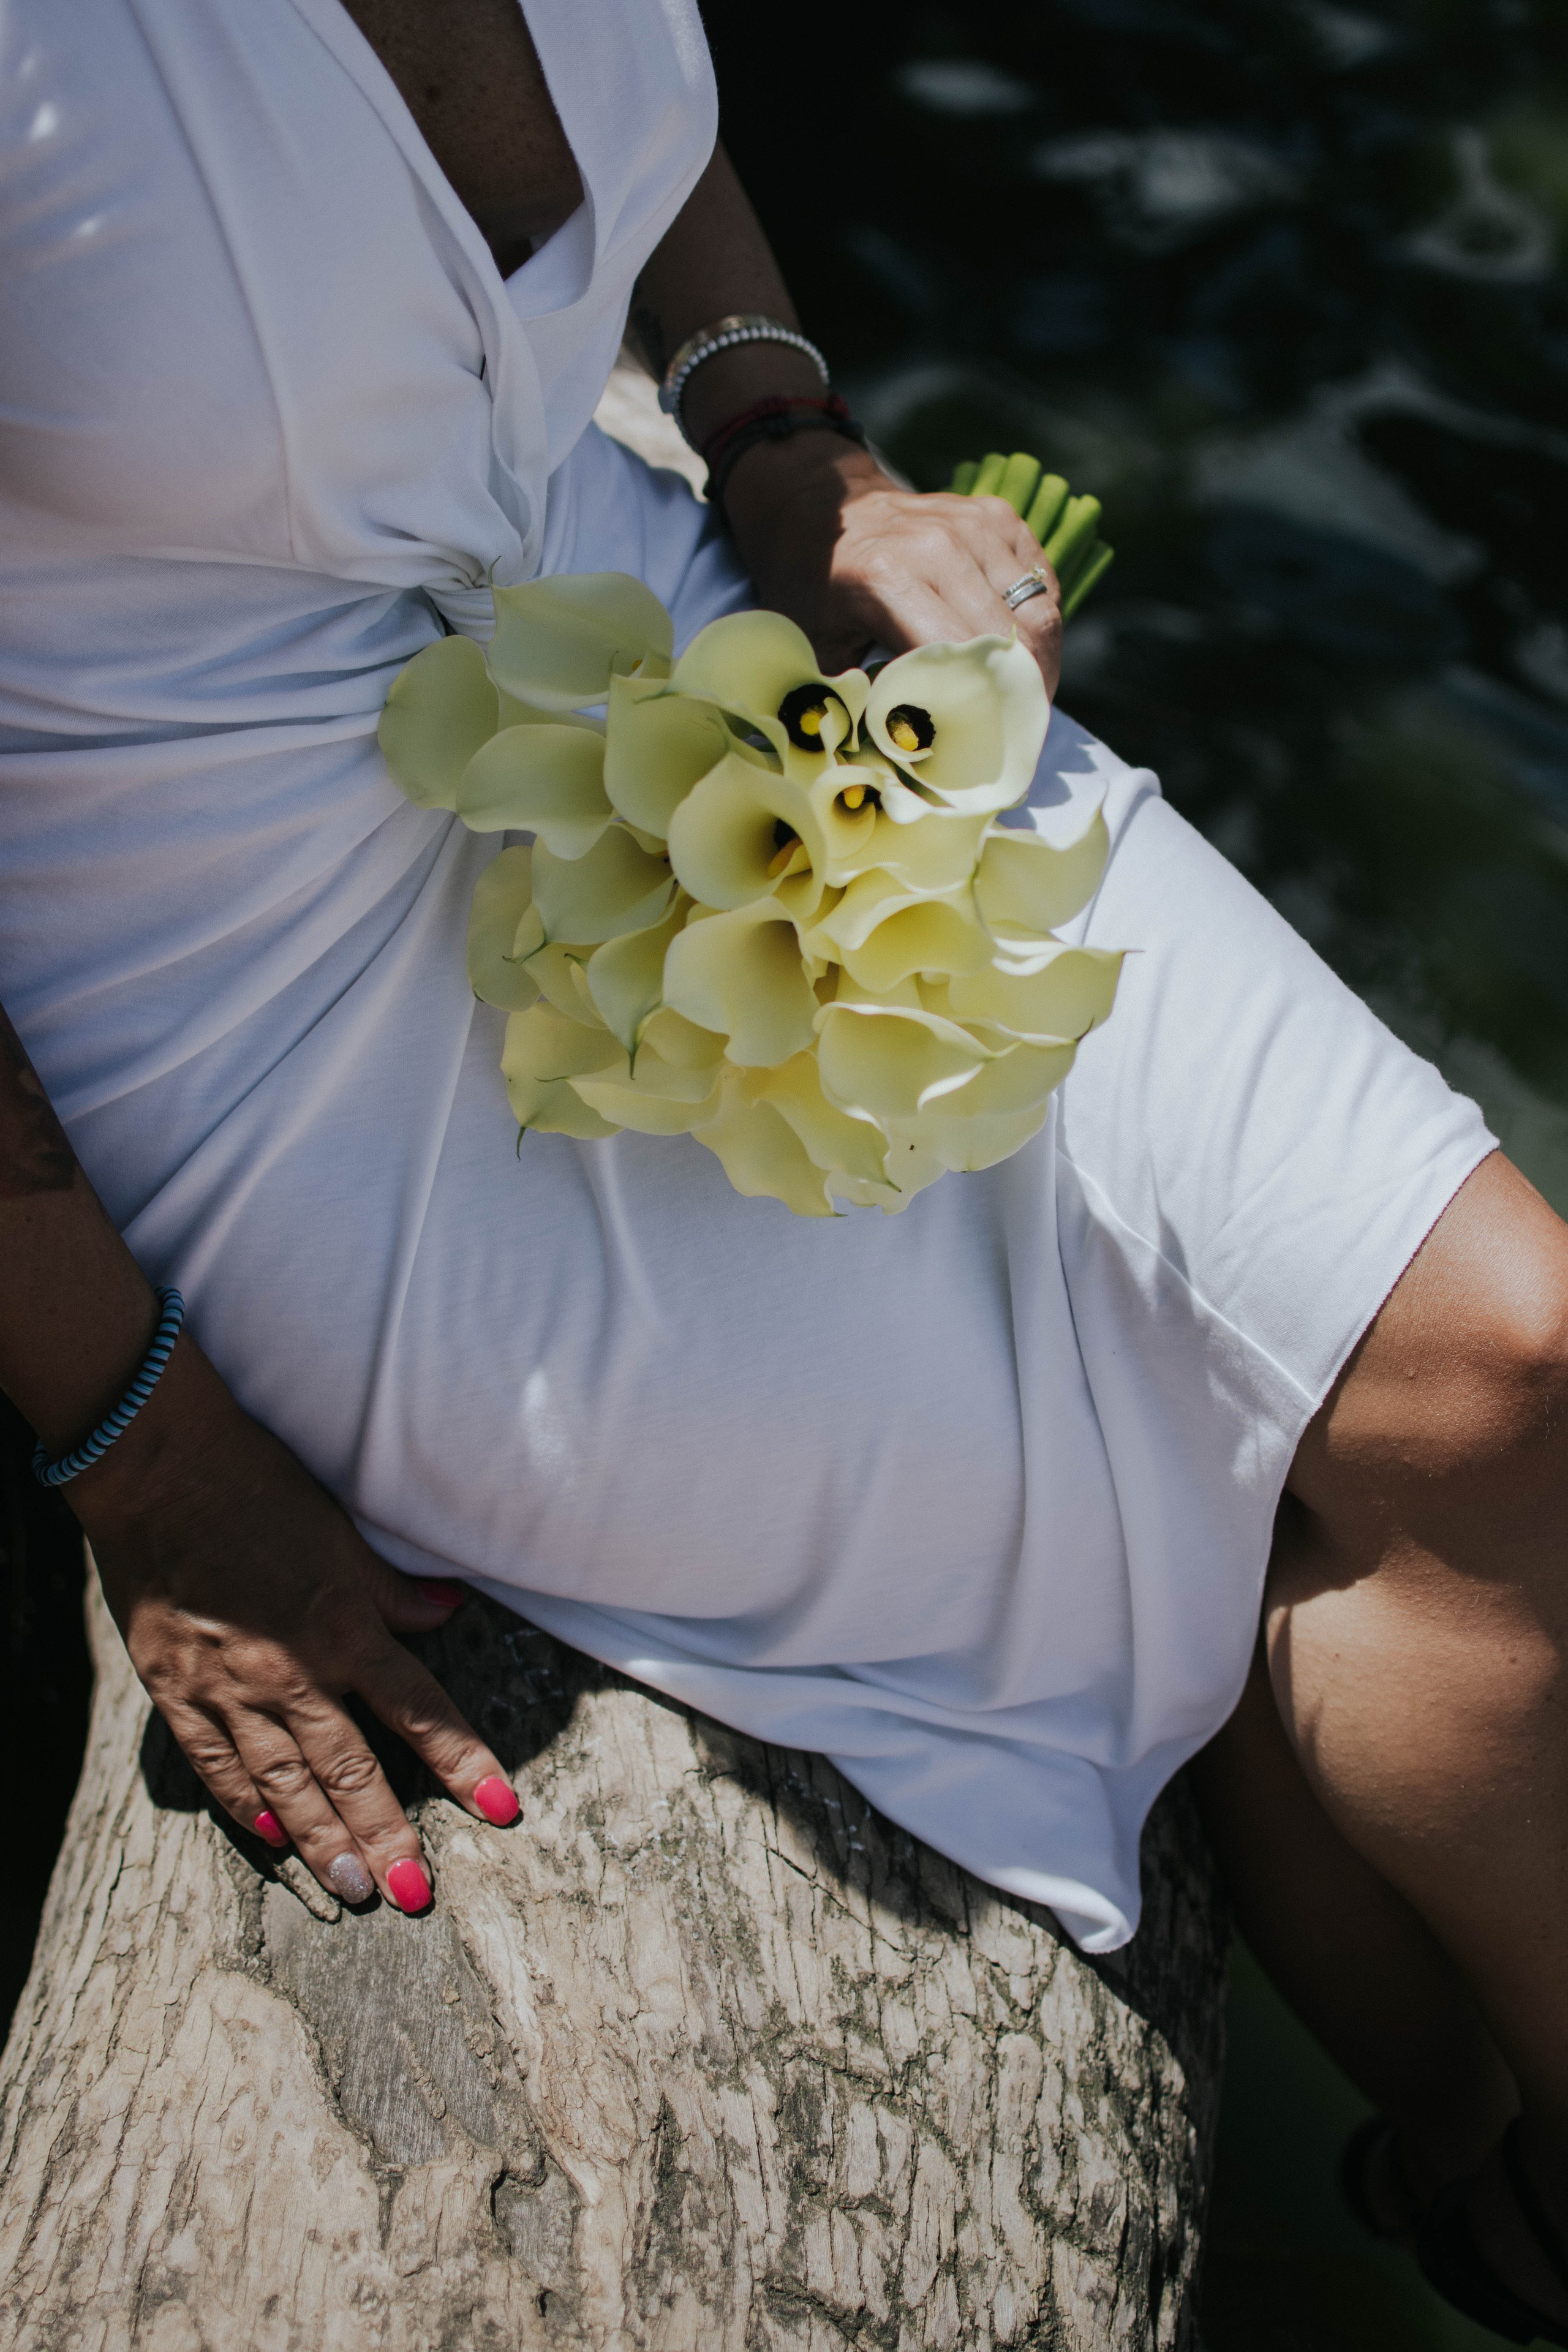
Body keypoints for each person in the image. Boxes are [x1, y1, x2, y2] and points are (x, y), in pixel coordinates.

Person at [2, 2, 1566, 2335]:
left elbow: (641, 121)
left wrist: (779, 434)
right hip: (257, 960)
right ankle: (1485, 2172)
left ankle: (1513, 2179)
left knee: (1512, 1369)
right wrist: (138, 1447)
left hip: (655, 621)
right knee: (1118, 1470)